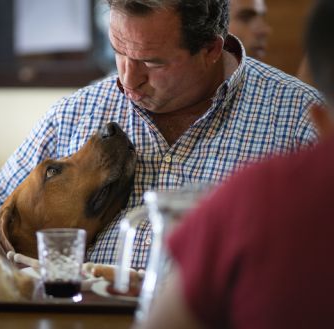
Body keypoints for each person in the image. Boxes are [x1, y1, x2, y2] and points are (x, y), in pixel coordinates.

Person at [0, 0, 321, 270]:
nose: (127, 78)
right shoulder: (74, 112)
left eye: (152, 62)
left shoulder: (301, 118)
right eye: (119, 50)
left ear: (209, 49)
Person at [137, 0, 334, 328]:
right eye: (247, 16)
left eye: (152, 60)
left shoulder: (255, 195)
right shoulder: (76, 111)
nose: (263, 29)